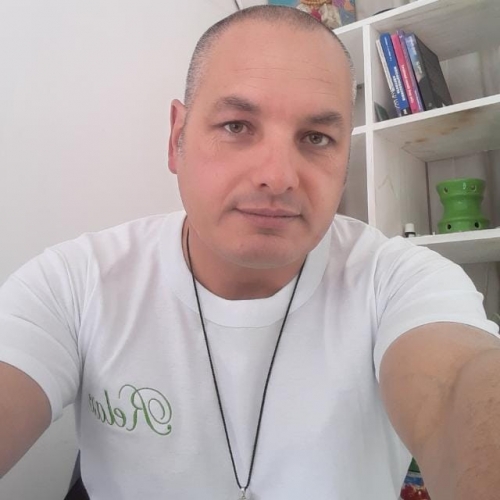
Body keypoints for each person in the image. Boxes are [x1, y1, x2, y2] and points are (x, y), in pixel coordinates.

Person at [0, 5, 499, 500]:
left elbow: (460, 385)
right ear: (177, 138)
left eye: (317, 137)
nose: (277, 177)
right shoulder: (77, 283)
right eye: (237, 126)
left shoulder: (397, 281)